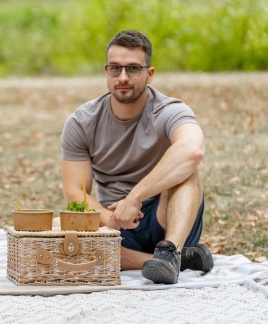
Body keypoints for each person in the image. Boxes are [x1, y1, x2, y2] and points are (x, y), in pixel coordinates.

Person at [60, 30, 214, 284]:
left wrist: (134, 198)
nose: (123, 77)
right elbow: (75, 191)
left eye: (133, 69)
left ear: (149, 74)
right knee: (55, 231)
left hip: (166, 217)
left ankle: (171, 247)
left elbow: (192, 149)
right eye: (115, 69)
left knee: (186, 173)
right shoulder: (82, 121)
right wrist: (111, 218)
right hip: (115, 224)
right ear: (106, 72)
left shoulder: (169, 110)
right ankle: (172, 260)